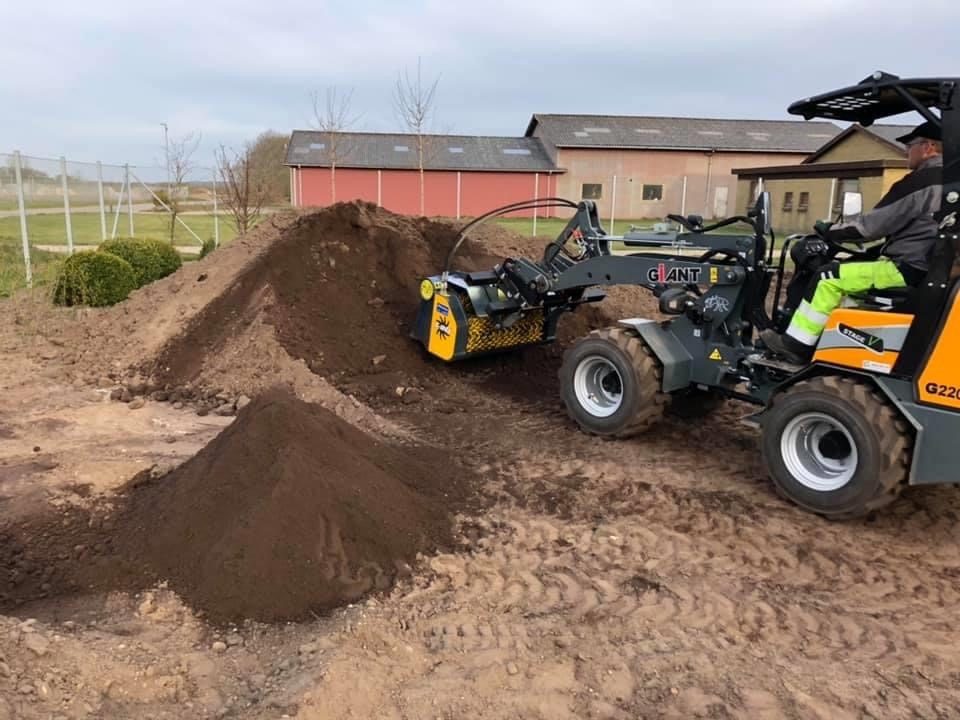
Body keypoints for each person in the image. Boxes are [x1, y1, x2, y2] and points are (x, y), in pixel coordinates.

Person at [761, 120, 944, 363]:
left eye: (910, 146)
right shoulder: (950, 182)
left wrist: (831, 230)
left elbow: (871, 226)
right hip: (930, 269)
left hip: (907, 268)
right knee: (852, 281)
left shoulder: (922, 181)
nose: (906, 151)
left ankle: (796, 345)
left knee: (827, 277)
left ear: (929, 147)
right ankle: (834, 346)